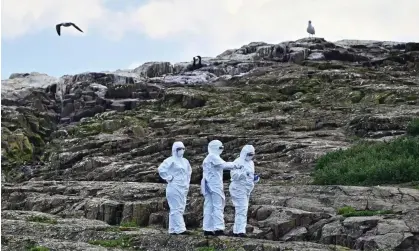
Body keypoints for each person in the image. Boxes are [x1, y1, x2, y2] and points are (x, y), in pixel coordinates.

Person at [201, 140, 243, 236]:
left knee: (209, 206)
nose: (222, 150)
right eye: (220, 148)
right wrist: (237, 165)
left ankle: (207, 228)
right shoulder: (213, 157)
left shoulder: (208, 158)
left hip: (208, 185)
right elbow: (224, 165)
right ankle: (218, 228)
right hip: (214, 185)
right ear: (215, 148)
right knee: (218, 206)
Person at [158, 141, 192, 235]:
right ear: (175, 150)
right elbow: (161, 169)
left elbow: (189, 172)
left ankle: (173, 229)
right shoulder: (170, 160)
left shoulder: (185, 161)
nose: (182, 151)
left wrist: (186, 183)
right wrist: (169, 177)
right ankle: (181, 229)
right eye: (179, 149)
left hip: (183, 187)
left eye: (183, 148)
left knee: (180, 208)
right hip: (174, 187)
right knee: (176, 208)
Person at [229, 145, 260, 237]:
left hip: (247, 189)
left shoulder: (251, 163)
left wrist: (255, 178)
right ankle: (240, 231)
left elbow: (250, 176)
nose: (251, 156)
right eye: (249, 154)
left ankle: (237, 230)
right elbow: (233, 176)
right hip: (238, 188)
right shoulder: (237, 162)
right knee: (242, 208)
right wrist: (244, 174)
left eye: (252, 154)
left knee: (242, 209)